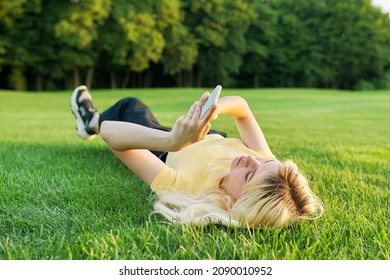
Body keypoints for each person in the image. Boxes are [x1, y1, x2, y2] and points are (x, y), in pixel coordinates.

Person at [70, 85, 323, 228]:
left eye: (247, 176)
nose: (251, 158)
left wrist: (173, 141)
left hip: (167, 148)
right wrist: (213, 111)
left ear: (237, 203)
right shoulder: (265, 165)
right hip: (208, 135)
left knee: (130, 107)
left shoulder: (188, 188)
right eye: (266, 161)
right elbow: (242, 110)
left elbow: (111, 134)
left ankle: (89, 120)